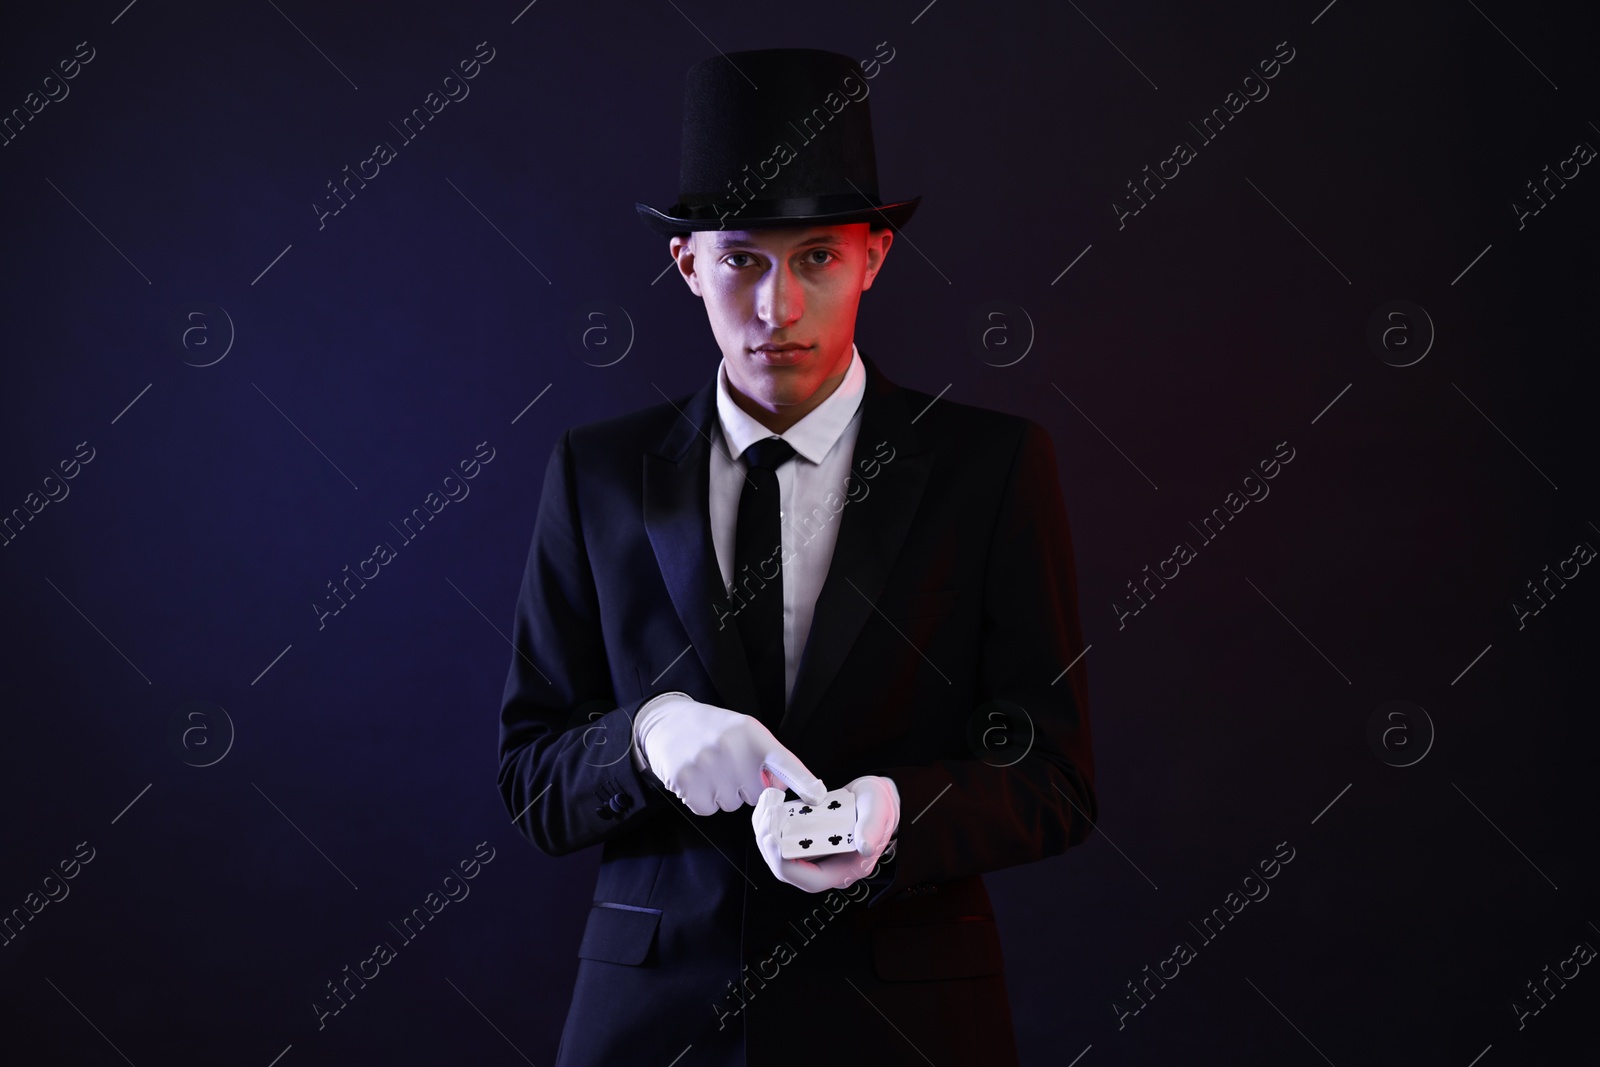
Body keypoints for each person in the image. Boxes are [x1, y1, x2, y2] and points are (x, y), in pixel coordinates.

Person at [497, 47, 1096, 1066]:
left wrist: (899, 809)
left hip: (908, 1027)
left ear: (872, 256)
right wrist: (646, 735)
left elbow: (1053, 774)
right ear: (688, 264)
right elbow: (532, 776)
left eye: (816, 256)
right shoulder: (596, 474)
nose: (777, 309)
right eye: (742, 260)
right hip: (653, 1027)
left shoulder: (989, 467)